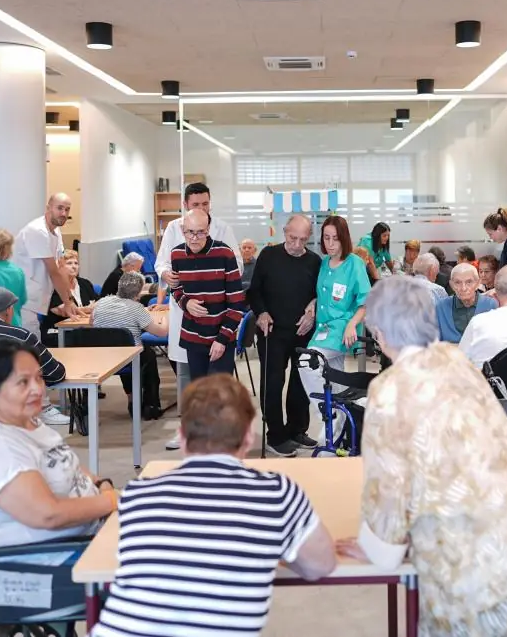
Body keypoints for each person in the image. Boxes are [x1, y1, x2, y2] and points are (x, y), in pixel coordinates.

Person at [336, 276, 507, 636]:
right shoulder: (458, 363)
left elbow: (389, 504)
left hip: (489, 584)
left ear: (379, 333)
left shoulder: (391, 389)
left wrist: (376, 545)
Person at [91, 375, 336, 637]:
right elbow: (319, 566)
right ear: (248, 438)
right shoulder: (277, 494)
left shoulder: (137, 494)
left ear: (182, 437)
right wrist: (273, 546)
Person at [0, 339, 116, 551]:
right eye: (23, 382)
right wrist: (112, 501)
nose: (37, 389)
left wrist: (101, 484)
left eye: (39, 378)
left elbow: (66, 464)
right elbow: (48, 515)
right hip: (54, 555)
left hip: (92, 527)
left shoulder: (28, 422)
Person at [155, 182, 241, 450]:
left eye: (205, 204)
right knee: (191, 380)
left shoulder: (223, 235)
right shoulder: (174, 231)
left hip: (219, 320)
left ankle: (221, 437)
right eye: (196, 205)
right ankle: (190, 430)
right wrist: (169, 278)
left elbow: (235, 271)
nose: (202, 208)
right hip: (189, 320)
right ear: (185, 206)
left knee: (218, 386)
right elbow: (164, 264)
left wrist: (213, 270)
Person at [247, 214, 322, 458]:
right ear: (284, 232)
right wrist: (261, 313)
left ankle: (296, 430)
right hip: (272, 331)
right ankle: (276, 436)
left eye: (303, 240)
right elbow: (254, 291)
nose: (297, 245)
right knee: (273, 383)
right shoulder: (269, 256)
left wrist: (313, 306)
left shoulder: (314, 261)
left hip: (303, 332)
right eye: (292, 238)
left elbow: (320, 293)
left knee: (300, 384)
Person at [298, 215, 370, 421]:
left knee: (307, 361)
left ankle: (331, 415)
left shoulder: (354, 264)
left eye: (335, 239)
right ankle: (342, 425)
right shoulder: (324, 264)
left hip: (342, 328)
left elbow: (366, 301)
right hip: (323, 328)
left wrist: (352, 325)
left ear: (344, 238)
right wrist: (313, 302)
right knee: (336, 379)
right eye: (326, 238)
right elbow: (324, 293)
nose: (330, 244)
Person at [170, 208, 245, 382]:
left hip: (221, 336)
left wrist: (222, 339)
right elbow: (175, 288)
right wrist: (185, 303)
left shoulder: (224, 253)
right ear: (182, 230)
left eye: (200, 232)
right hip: (193, 337)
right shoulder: (176, 254)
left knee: (220, 392)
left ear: (208, 229)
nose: (194, 238)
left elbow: (237, 303)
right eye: (189, 232)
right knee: (200, 391)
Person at [91, 270, 168, 419]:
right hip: (130, 357)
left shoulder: (100, 303)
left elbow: (92, 323)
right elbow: (161, 332)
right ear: (138, 292)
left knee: (124, 349)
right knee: (147, 355)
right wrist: (164, 320)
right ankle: (151, 404)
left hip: (103, 356)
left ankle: (132, 398)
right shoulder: (136, 308)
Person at [12, 193, 75, 338]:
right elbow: (53, 271)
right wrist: (67, 302)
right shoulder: (37, 230)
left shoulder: (56, 230)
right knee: (29, 341)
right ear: (48, 208)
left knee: (33, 341)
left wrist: (70, 300)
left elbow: (61, 267)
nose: (64, 213)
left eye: (67, 209)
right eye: (60, 208)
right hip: (23, 297)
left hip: (37, 295)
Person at [41, 250, 96, 345]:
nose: (74, 266)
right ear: (60, 267)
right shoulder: (54, 286)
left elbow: (98, 303)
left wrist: (88, 308)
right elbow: (63, 311)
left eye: (76, 263)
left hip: (81, 328)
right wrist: (88, 309)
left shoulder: (85, 283)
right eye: (69, 263)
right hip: (56, 331)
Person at [436, 263, 498, 344]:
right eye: (457, 282)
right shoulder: (441, 307)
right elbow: (434, 342)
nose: (463, 288)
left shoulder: (490, 305)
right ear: (451, 285)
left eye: (469, 282)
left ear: (478, 283)